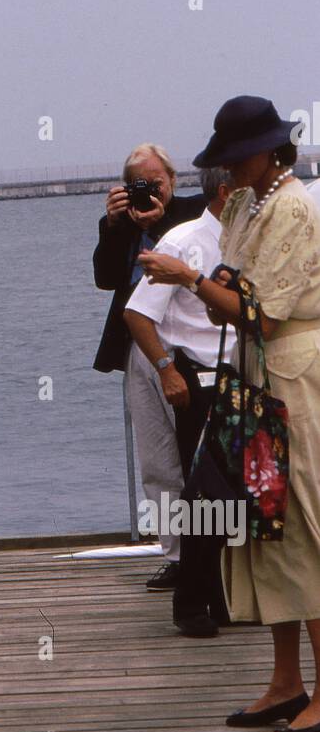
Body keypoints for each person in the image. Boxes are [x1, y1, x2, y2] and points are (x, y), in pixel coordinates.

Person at [140, 96, 320, 732]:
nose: (225, 171)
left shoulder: (293, 207)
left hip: (293, 375)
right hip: (255, 371)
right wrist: (209, 288)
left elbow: (259, 314)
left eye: (233, 156)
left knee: (300, 522)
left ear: (267, 152)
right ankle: (284, 681)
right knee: (261, 529)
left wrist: (186, 277)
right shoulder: (247, 205)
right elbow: (232, 304)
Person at [125, 166, 237, 636]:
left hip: (245, 377)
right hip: (197, 378)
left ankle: (225, 596)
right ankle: (191, 603)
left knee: (236, 493)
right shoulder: (180, 243)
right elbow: (137, 313)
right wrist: (167, 369)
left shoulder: (250, 240)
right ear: (227, 191)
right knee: (203, 494)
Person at [93, 143, 207, 589]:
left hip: (184, 345)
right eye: (138, 185)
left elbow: (191, 264)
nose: (148, 193)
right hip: (137, 346)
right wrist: (112, 225)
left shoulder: (191, 214)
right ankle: (177, 555)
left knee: (195, 455)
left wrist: (159, 221)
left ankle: (208, 555)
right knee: (157, 459)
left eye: (155, 183)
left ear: (174, 181)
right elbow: (105, 278)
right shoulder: (120, 223)